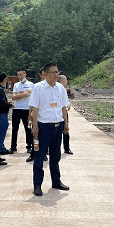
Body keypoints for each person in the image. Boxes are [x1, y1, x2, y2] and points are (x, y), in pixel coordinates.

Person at [29, 63, 70, 197]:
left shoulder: (60, 88)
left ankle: (56, 181)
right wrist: (35, 126)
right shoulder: (38, 88)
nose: (56, 74)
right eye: (53, 72)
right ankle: (37, 185)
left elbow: (63, 107)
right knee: (39, 157)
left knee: (55, 156)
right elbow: (34, 109)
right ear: (46, 74)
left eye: (57, 72)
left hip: (57, 127)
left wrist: (66, 123)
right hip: (44, 127)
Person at [10, 68, 34, 153]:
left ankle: (29, 146)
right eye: (18, 75)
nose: (19, 76)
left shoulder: (30, 84)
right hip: (16, 109)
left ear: (25, 74)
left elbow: (28, 94)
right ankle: (13, 146)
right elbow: (13, 97)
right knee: (14, 128)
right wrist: (23, 95)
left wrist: (18, 95)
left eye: (21, 75)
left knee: (27, 128)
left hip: (26, 109)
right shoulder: (16, 85)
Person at [58, 74, 73, 155]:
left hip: (64, 112)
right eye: (65, 79)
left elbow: (65, 101)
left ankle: (67, 148)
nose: (67, 81)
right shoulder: (57, 89)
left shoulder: (63, 89)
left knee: (66, 130)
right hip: (58, 113)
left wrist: (68, 104)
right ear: (61, 80)